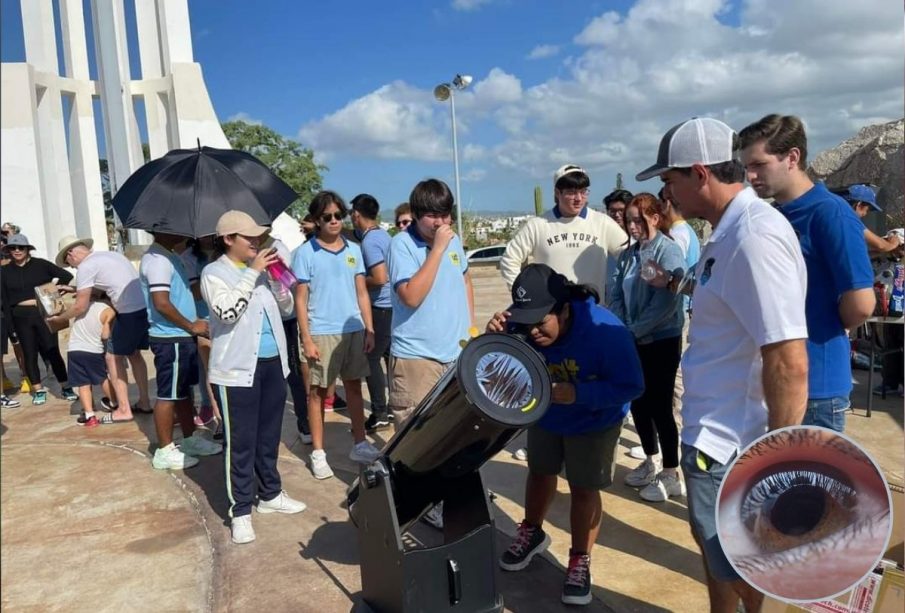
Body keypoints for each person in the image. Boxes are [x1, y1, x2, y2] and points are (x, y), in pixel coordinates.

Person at [636, 116, 809, 613]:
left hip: (734, 446)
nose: (666, 194)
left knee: (748, 568)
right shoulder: (728, 232)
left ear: (700, 173)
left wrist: (778, 461)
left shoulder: (753, 237)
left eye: (669, 181)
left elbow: (788, 358)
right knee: (721, 561)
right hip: (714, 438)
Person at [487, 264, 644, 606]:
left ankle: (579, 559)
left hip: (594, 419)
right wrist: (494, 336)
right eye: (525, 323)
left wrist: (579, 395)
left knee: (582, 488)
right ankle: (531, 531)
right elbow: (497, 364)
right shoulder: (523, 323)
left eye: (540, 324)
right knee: (540, 472)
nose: (533, 333)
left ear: (564, 308)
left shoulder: (608, 333)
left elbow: (632, 385)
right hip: (546, 413)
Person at [739, 114, 875, 432]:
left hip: (817, 390)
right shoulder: (773, 216)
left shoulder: (830, 214)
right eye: (747, 167)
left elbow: (862, 304)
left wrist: (820, 322)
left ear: (792, 157)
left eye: (759, 164)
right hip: (776, 381)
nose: (750, 176)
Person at [201, 211, 307, 545]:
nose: (257, 243)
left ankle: (271, 493)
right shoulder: (213, 273)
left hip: (273, 363)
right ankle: (240, 511)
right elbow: (226, 312)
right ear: (229, 239)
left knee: (268, 435)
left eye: (259, 237)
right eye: (249, 238)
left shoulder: (261, 272)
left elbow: (286, 310)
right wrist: (253, 273)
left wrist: (278, 282)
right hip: (236, 371)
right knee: (241, 443)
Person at [388, 178, 474, 528]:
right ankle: (418, 503)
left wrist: (470, 330)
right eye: (432, 217)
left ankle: (444, 494)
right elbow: (410, 295)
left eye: (445, 216)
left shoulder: (454, 242)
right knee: (415, 438)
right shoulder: (401, 246)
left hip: (453, 354)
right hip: (416, 358)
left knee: (452, 433)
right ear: (417, 215)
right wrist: (436, 251)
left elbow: (465, 279)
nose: (440, 224)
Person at [292, 191, 381, 480]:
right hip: (321, 331)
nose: (333, 221)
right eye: (327, 217)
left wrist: (369, 327)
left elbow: (361, 292)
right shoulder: (305, 253)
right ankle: (318, 452)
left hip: (353, 329)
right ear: (316, 220)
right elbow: (301, 299)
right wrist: (306, 337)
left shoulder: (354, 250)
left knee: (354, 387)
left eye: (338, 216)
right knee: (317, 393)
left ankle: (359, 442)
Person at [609, 194, 687, 502]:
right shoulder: (628, 254)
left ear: (655, 218)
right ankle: (650, 460)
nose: (632, 225)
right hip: (632, 338)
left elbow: (667, 304)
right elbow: (615, 292)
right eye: (629, 220)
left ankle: (671, 471)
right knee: (639, 402)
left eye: (638, 219)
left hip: (660, 340)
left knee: (661, 406)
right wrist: (622, 327)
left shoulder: (668, 251)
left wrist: (634, 331)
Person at [140, 232, 222, 467]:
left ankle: (189, 440)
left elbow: (180, 294)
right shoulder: (158, 261)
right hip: (170, 338)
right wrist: (191, 325)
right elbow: (161, 303)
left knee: (182, 391)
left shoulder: (170, 256)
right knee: (168, 394)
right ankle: (165, 450)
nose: (183, 232)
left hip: (181, 336)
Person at [51, 235, 153, 422]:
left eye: (70, 264)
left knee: (112, 358)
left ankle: (123, 409)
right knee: (135, 355)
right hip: (141, 308)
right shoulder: (111, 256)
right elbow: (106, 286)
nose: (73, 268)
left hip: (127, 312)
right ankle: (144, 402)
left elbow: (80, 306)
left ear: (71, 254)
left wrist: (59, 319)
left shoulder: (86, 266)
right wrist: (73, 289)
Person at [500, 165, 627, 301]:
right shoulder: (537, 225)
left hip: (591, 312)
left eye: (583, 192)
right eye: (571, 192)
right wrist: (524, 296)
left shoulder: (603, 223)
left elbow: (629, 255)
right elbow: (509, 259)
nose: (578, 198)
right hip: (552, 314)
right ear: (557, 193)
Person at [1, 233, 77, 405]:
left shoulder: (41, 264)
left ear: (28, 249)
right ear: (8, 251)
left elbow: (65, 276)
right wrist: (10, 327)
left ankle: (65, 386)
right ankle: (38, 390)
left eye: (21, 247)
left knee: (52, 351)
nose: (17, 250)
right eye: (13, 248)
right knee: (29, 354)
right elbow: (4, 300)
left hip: (43, 315)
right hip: (20, 317)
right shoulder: (4, 272)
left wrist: (53, 291)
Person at [350, 193, 393, 432]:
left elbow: (379, 277)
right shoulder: (384, 235)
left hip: (380, 307)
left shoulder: (369, 242)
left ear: (356, 215)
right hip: (391, 307)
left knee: (370, 359)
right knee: (387, 358)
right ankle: (391, 407)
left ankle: (379, 412)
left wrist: (356, 281)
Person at [262, 234, 310, 444]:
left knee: (293, 370)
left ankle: (304, 419)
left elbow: (289, 291)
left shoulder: (277, 248)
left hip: (285, 319)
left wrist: (272, 274)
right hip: (260, 320)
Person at [67, 296, 116, 427]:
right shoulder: (108, 310)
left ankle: (90, 416)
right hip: (93, 350)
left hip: (74, 349)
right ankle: (115, 404)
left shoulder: (81, 307)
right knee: (102, 378)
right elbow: (105, 335)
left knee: (83, 383)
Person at [834, 184, 905, 257]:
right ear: (859, 205)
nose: (865, 214)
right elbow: (881, 246)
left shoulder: (834, 216)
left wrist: (876, 252)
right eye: (866, 210)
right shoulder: (849, 220)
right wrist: (893, 244)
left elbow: (852, 254)